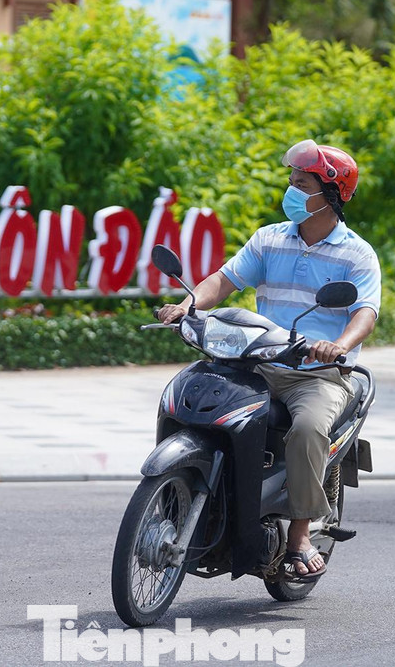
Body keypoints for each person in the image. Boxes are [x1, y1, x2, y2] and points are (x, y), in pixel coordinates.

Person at [155, 140, 381, 581]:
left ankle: (298, 534)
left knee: (307, 429)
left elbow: (365, 314)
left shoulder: (357, 253)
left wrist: (337, 345)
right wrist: (188, 305)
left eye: (302, 184)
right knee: (189, 395)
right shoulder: (270, 238)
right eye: (291, 181)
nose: (292, 190)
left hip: (317, 374)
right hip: (256, 363)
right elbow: (223, 281)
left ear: (330, 195)